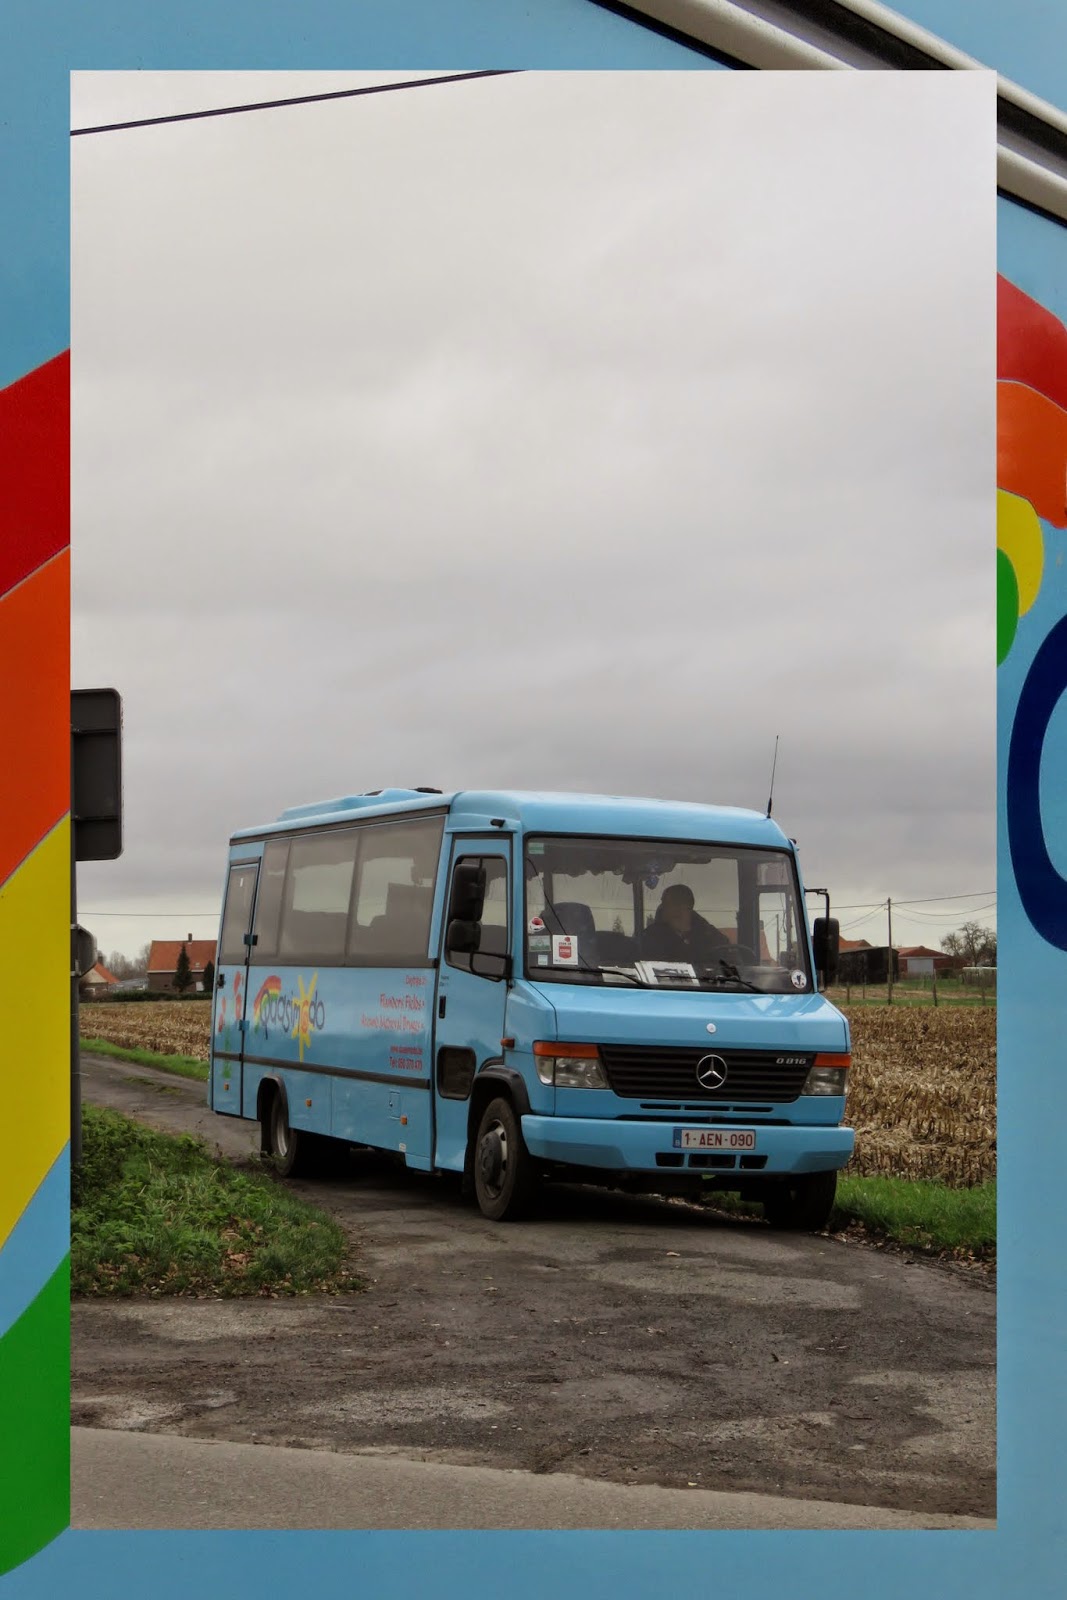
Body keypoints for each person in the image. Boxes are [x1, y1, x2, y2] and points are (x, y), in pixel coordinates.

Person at [642, 883, 731, 967]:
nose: (662, 907)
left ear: (687, 906)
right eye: (664, 904)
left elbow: (732, 966)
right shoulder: (651, 936)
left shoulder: (711, 937)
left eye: (667, 904)